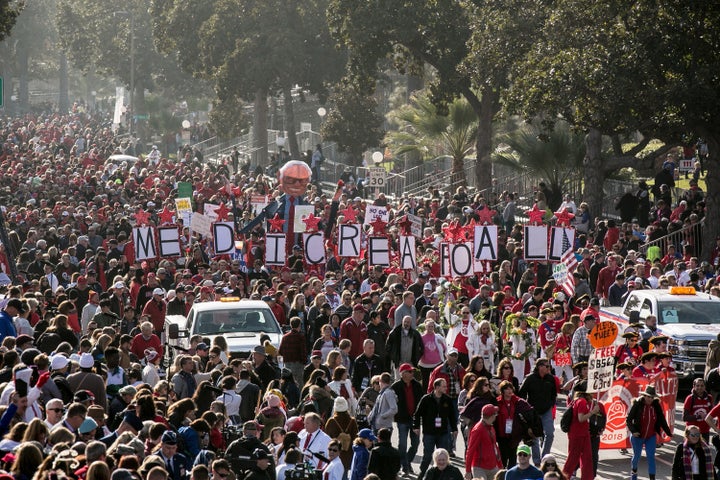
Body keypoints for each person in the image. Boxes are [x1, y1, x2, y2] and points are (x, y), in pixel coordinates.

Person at [414, 378, 458, 480]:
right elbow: (417, 414)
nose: (446, 388)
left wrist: (454, 429)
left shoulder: (447, 399)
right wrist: (416, 427)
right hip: (429, 432)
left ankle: (443, 476)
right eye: (443, 386)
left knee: (443, 456)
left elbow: (452, 415)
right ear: (437, 387)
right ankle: (422, 474)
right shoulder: (426, 399)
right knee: (428, 456)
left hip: (443, 432)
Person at [626, 385, 672, 480]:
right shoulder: (637, 404)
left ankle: (652, 478)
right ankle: (634, 473)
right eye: (648, 396)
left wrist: (669, 433)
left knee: (651, 457)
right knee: (637, 456)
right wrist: (633, 431)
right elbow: (629, 420)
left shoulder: (656, 406)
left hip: (651, 436)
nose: (650, 399)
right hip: (638, 436)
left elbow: (662, 420)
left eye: (652, 397)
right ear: (644, 396)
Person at [518, 358, 557, 465]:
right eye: (547, 366)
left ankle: (545, 457)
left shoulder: (550, 378)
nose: (549, 368)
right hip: (533, 412)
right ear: (540, 367)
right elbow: (521, 394)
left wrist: (551, 403)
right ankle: (536, 461)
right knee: (534, 436)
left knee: (550, 433)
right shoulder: (530, 378)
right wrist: (526, 408)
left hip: (546, 411)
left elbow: (554, 393)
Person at [391, 363, 423, 476]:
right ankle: (405, 467)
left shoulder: (417, 385)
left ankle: (407, 462)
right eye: (409, 372)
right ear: (403, 374)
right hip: (402, 420)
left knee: (415, 444)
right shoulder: (395, 387)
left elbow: (422, 402)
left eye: (412, 371)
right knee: (402, 445)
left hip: (415, 419)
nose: (412, 373)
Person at [561, 380, 596, 480]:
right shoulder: (582, 401)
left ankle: (587, 478)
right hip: (578, 434)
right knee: (573, 459)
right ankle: (564, 477)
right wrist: (592, 412)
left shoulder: (577, 400)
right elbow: (581, 418)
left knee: (587, 459)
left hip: (582, 433)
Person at [465, 404, 503, 480]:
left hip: (493, 466)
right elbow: (470, 450)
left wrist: (500, 466)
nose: (496, 416)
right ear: (492, 416)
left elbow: (495, 447)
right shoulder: (478, 429)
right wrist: (468, 471)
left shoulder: (491, 427)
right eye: (495, 414)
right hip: (479, 468)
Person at [684, 378, 713, 442]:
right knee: (691, 451)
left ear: (705, 387)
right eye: (697, 385)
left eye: (702, 385)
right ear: (694, 386)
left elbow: (712, 413)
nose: (700, 387)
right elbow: (685, 417)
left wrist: (707, 417)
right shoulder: (690, 398)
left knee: (704, 451)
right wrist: (698, 416)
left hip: (705, 431)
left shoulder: (709, 398)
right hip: (692, 432)